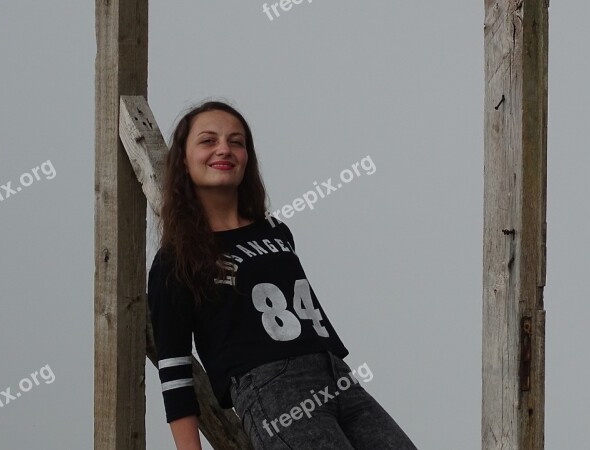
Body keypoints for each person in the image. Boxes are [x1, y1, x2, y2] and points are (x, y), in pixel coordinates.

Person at [148, 100, 418, 450]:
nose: (224, 149)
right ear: (183, 159)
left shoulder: (276, 231)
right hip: (272, 388)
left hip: (337, 377)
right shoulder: (174, 259)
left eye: (236, 141)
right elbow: (174, 369)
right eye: (208, 141)